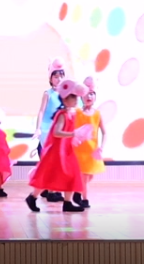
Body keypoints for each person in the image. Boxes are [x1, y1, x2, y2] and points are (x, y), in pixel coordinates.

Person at [25, 79, 93, 213]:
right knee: (49, 177)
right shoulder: (62, 114)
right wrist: (74, 134)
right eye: (73, 97)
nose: (76, 100)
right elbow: (57, 132)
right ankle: (32, 197)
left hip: (67, 150)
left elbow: (69, 132)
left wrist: (77, 137)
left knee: (72, 174)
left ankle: (67, 202)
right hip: (57, 152)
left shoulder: (71, 114)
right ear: (65, 99)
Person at [32, 58, 67, 203]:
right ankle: (51, 191)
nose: (59, 79)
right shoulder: (48, 93)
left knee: (58, 161)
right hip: (47, 131)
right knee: (51, 161)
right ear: (50, 78)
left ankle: (51, 188)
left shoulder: (66, 94)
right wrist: (38, 129)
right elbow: (41, 111)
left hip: (59, 130)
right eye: (56, 76)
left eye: (61, 76)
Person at [73, 76, 106, 208]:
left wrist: (102, 147)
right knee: (84, 177)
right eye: (86, 93)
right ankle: (84, 199)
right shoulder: (76, 112)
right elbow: (70, 129)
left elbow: (105, 132)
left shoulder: (97, 114)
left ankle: (77, 192)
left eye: (92, 93)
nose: (89, 96)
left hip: (92, 151)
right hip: (79, 151)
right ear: (81, 96)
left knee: (89, 176)